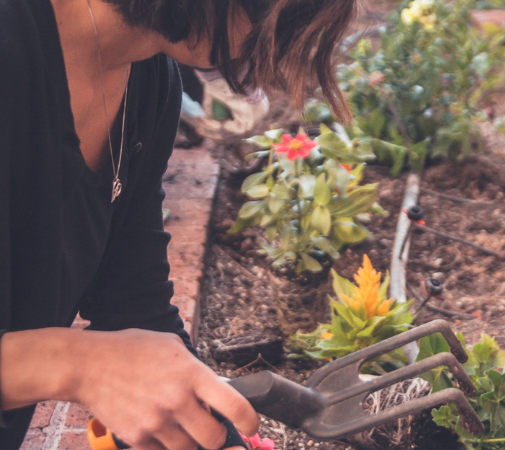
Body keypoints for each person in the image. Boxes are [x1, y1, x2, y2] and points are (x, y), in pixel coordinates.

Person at [0, 0, 356, 449]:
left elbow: (135, 307)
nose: (272, 42)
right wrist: (79, 365)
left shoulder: (148, 80)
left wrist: (215, 431)